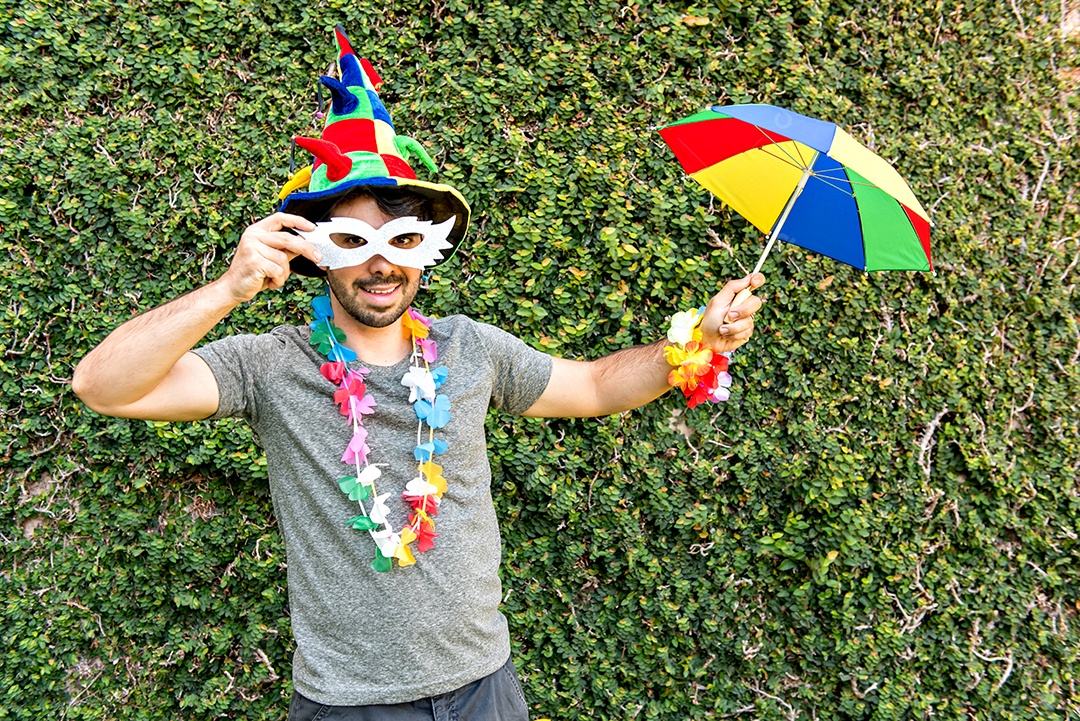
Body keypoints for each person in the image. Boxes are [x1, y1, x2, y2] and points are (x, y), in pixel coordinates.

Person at [72, 26, 764, 721]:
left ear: (427, 250)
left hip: (484, 686)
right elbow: (101, 386)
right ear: (314, 251)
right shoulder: (268, 364)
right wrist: (227, 289)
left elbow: (591, 385)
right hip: (348, 703)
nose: (381, 264)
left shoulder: (471, 348)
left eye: (403, 239)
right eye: (353, 240)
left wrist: (697, 343)